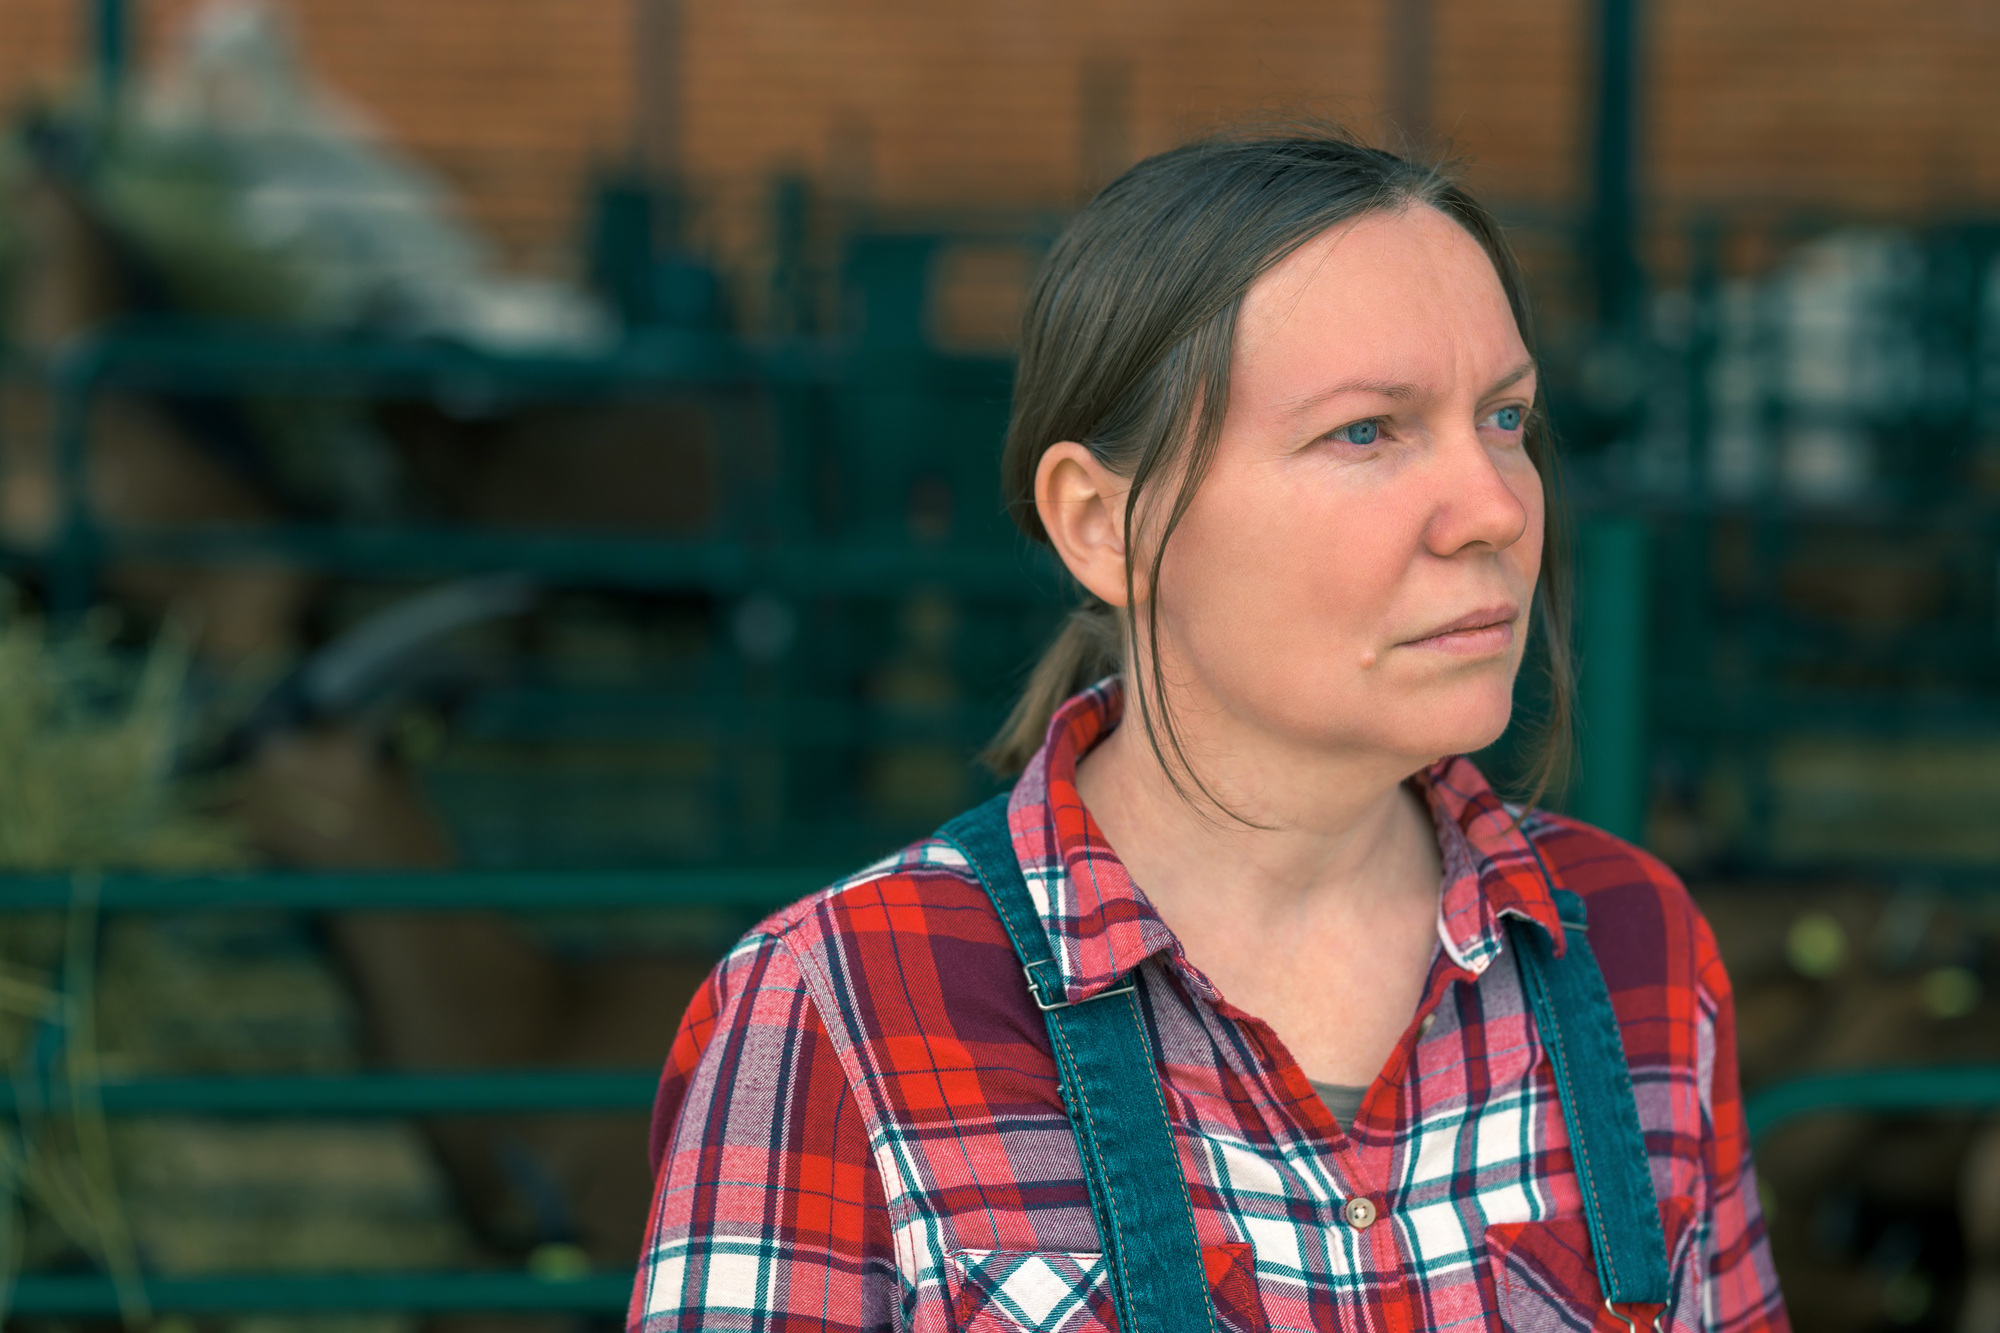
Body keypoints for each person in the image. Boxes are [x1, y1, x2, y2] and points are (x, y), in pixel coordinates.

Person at [629, 130, 1790, 1333]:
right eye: (1366, 431)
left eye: (1504, 417)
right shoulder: (842, 1011)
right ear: (1101, 525)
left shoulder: (1632, 946)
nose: (1495, 506)